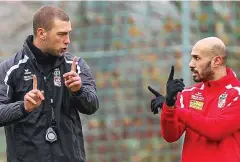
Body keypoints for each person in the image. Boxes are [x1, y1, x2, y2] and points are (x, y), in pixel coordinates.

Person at [0, 5, 99, 162]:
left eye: (68, 34)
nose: (67, 40)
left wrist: (78, 91)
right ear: (41, 33)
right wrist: (23, 107)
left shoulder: (75, 65)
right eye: (61, 34)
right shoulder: (9, 69)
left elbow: (92, 105)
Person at [148, 37, 240, 162]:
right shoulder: (188, 93)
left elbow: (216, 130)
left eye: (197, 58)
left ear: (216, 61)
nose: (191, 64)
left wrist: (177, 110)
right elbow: (171, 136)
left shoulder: (236, 94)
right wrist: (169, 105)